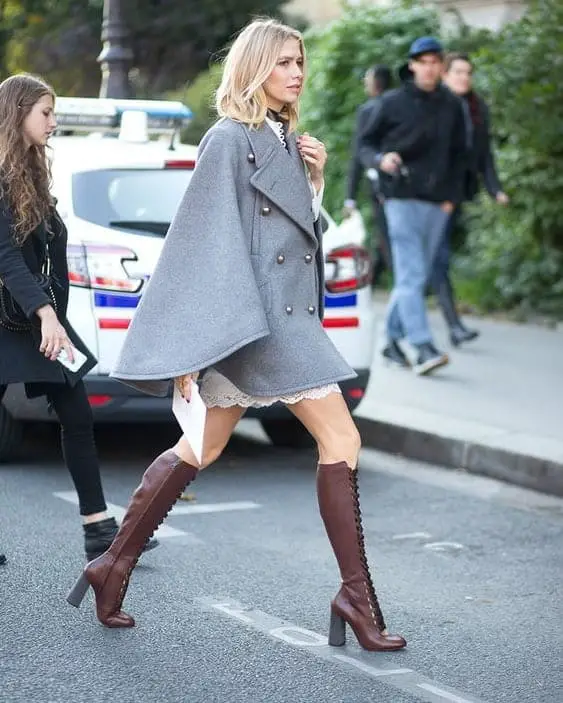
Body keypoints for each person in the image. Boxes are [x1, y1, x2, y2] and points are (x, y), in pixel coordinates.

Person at [66, 18, 406, 652]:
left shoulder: (285, 138)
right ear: (254, 68)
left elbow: (294, 242)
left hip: (278, 322)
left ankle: (111, 564)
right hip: (259, 327)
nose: (296, 73)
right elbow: (201, 247)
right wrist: (190, 347)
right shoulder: (228, 140)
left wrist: (316, 179)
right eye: (283, 63)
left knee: (201, 446)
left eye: (300, 61)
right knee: (341, 436)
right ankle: (356, 599)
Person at [0, 74, 157, 563]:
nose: (53, 122)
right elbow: (5, 258)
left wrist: (54, 319)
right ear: (17, 112)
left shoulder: (31, 171)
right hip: (17, 320)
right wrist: (48, 315)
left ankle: (98, 529)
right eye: (45, 112)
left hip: (36, 321)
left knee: (77, 413)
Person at [359, 37, 467, 375]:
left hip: (438, 202)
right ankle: (421, 346)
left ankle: (391, 340)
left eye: (436, 61)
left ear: (441, 66)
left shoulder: (451, 104)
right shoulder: (391, 103)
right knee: (412, 272)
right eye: (424, 61)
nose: (430, 67)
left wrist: (452, 198)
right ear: (412, 65)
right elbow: (364, 143)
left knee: (414, 277)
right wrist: (380, 159)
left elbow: (460, 154)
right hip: (400, 196)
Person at [431, 51, 509, 346]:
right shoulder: (434, 106)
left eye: (468, 72)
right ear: (445, 75)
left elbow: (484, 153)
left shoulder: (477, 108)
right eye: (458, 72)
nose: (464, 77)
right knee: (437, 260)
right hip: (431, 196)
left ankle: (397, 336)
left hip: (456, 195)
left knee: (434, 261)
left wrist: (495, 188)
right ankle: (453, 326)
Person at [344, 65, 393, 285]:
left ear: (375, 83)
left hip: (380, 184)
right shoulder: (401, 105)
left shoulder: (368, 110)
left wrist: (350, 197)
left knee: (386, 234)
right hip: (404, 182)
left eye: (367, 79)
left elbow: (358, 155)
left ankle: (396, 278)